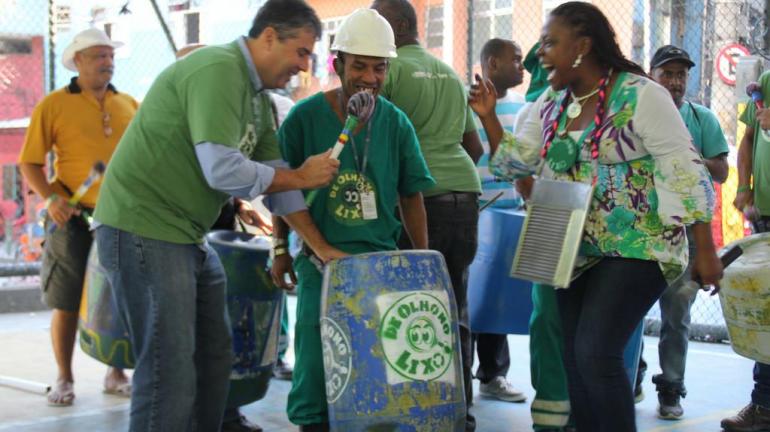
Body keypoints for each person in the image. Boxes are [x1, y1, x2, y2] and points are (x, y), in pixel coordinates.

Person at [469, 2, 723, 431]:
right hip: (575, 248)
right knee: (573, 358)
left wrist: (705, 249)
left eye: (551, 43)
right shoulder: (551, 104)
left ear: (583, 46)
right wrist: (490, 118)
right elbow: (517, 164)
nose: (541, 53)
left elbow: (686, 170)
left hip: (639, 246)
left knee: (596, 353)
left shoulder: (641, 95)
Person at [92, 1, 340, 430]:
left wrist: (321, 249)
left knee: (214, 355)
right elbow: (223, 169)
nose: (304, 67)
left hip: (186, 234)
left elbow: (280, 186)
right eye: (301, 51)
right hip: (141, 225)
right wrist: (300, 174)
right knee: (169, 367)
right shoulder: (218, 69)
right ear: (268, 37)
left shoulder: (260, 101)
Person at [270, 8, 434, 431]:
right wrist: (279, 251)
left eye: (379, 68)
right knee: (314, 363)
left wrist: (420, 263)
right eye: (359, 66)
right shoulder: (304, 119)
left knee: (377, 369)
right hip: (319, 263)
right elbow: (282, 191)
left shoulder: (396, 124)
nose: (369, 77)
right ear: (337, 63)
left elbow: (411, 194)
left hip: (380, 265)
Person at [371, 1, 484, 429]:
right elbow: (473, 147)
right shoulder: (450, 74)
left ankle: (416, 407)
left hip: (419, 201)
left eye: (378, 21)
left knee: (410, 305)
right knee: (454, 302)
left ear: (399, 25)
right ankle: (461, 410)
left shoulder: (391, 71)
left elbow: (381, 142)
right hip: (465, 196)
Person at [18, 27, 137, 407]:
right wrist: (52, 197)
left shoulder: (130, 105)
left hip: (119, 215)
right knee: (66, 298)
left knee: (119, 296)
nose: (108, 62)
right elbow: (29, 162)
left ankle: (115, 371)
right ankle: (64, 378)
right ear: (79, 61)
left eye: (110, 55)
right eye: (99, 55)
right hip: (71, 215)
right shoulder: (52, 105)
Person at [639, 44, 729, 420]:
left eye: (681, 75)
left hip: (689, 233)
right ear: (651, 77)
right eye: (668, 74)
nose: (675, 82)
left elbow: (721, 171)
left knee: (677, 313)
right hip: (644, 231)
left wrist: (689, 157)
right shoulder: (636, 116)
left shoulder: (701, 118)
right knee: (629, 310)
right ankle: (631, 373)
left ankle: (671, 388)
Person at [471, 37, 527, 404]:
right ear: (492, 63)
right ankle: (460, 377)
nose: (522, 66)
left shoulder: (523, 110)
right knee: (472, 295)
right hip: (476, 213)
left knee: (498, 296)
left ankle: (493, 375)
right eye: (516, 59)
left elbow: (520, 164)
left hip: (511, 213)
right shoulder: (466, 104)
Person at [720, 70, 770, 432]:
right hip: (766, 215)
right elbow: (749, 138)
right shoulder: (766, 81)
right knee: (765, 314)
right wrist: (745, 186)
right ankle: (764, 405)